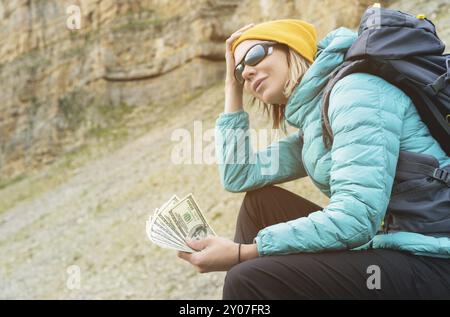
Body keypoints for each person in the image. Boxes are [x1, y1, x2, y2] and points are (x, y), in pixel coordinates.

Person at [177, 19, 450, 299]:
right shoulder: (315, 124)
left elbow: (356, 218)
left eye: (255, 54)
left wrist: (242, 253)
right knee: (259, 204)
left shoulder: (355, 92)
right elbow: (239, 175)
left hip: (431, 259)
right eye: (239, 70)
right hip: (388, 246)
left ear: (292, 49)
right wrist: (230, 87)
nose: (246, 71)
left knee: (246, 277)